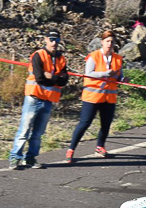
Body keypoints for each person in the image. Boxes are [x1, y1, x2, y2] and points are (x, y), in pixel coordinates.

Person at [9, 30, 69, 170]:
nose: (54, 42)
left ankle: (30, 158)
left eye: (56, 39)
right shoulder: (38, 55)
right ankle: (15, 157)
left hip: (48, 100)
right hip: (34, 97)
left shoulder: (61, 58)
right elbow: (39, 77)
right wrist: (56, 79)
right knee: (24, 130)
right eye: (51, 39)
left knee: (38, 133)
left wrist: (51, 77)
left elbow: (64, 81)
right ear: (46, 39)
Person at [65, 30, 124, 163]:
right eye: (107, 41)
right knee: (84, 123)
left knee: (106, 124)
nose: (109, 44)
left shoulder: (118, 59)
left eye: (112, 41)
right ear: (102, 42)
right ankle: (71, 149)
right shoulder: (94, 56)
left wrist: (123, 79)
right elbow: (89, 73)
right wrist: (105, 73)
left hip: (109, 98)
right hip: (92, 97)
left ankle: (100, 147)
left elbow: (119, 75)